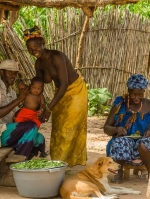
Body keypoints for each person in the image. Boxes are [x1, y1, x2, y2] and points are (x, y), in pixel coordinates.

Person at [23, 26, 88, 167]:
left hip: (76, 91)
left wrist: (49, 109)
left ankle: (64, 164)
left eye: (36, 47)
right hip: (60, 92)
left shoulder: (57, 57)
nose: (34, 51)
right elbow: (39, 86)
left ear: (43, 43)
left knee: (68, 127)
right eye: (30, 49)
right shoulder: (38, 64)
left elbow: (64, 83)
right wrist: (39, 106)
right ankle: (59, 161)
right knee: (58, 127)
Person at [104, 74, 150, 183]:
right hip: (125, 145)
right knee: (121, 142)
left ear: (144, 92)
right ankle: (119, 172)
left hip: (144, 145)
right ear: (128, 91)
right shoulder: (120, 104)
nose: (136, 97)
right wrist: (116, 130)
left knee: (143, 144)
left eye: (140, 94)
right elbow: (106, 128)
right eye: (133, 94)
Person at [0, 59, 46, 160]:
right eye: (10, 72)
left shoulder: (12, 93)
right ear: (1, 72)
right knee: (31, 128)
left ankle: (21, 154)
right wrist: (20, 99)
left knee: (40, 138)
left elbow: (17, 116)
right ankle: (20, 161)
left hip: (8, 131)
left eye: (15, 73)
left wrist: (35, 110)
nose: (13, 76)